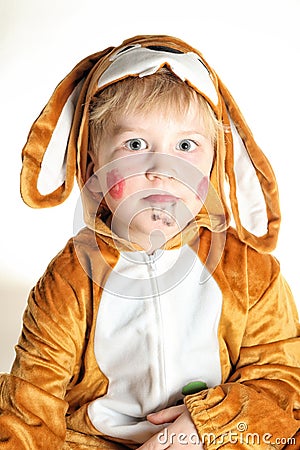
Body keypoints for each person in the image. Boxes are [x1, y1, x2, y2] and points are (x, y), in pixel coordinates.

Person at [0, 35, 299, 449]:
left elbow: (283, 383)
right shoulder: (70, 279)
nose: (164, 169)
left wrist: (207, 426)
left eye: (186, 145)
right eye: (136, 145)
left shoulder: (249, 270)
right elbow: (33, 405)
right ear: (92, 166)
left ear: (215, 162)